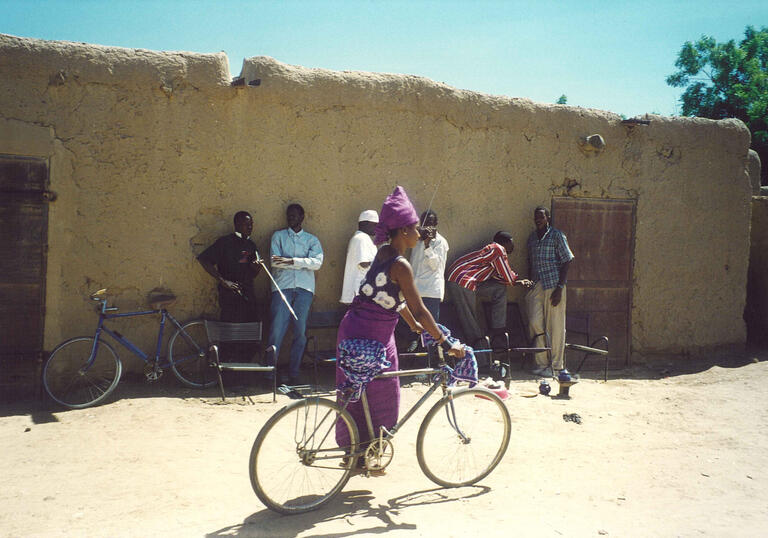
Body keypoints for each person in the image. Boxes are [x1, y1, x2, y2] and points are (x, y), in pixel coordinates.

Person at [335, 186, 465, 452]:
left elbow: (389, 296)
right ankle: (371, 448)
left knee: (357, 396)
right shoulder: (402, 265)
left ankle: (359, 452)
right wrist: (445, 341)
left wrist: (410, 323)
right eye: (416, 228)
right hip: (373, 337)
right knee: (384, 396)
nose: (419, 233)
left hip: (358, 329)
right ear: (403, 231)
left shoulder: (383, 253)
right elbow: (419, 308)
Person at [267, 203, 324, 385]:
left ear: (302, 217)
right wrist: (303, 262)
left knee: (300, 332)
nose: (290, 218)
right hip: (282, 288)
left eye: (294, 215)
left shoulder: (312, 240)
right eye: (288, 215)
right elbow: (275, 261)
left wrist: (291, 260)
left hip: (304, 290)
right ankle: (270, 373)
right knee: (276, 331)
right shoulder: (279, 236)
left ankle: (294, 372)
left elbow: (317, 263)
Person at [446, 232, 533, 347]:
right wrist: (516, 281)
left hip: (467, 280)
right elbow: (507, 276)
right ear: (504, 243)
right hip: (461, 280)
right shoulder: (497, 249)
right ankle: (481, 358)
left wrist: (517, 281)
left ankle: (498, 327)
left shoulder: (491, 254)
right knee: (470, 322)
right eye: (511, 243)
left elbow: (501, 278)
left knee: (499, 288)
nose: (513, 247)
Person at [526, 206, 574, 377]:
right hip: (537, 284)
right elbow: (529, 262)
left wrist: (560, 287)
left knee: (555, 325)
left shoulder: (556, 235)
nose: (538, 220)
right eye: (536, 217)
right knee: (535, 322)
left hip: (554, 284)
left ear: (548, 218)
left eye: (541, 217)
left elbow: (567, 260)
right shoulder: (532, 238)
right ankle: (541, 363)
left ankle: (556, 365)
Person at [197, 211, 262, 323]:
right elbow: (204, 259)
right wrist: (223, 281)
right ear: (236, 225)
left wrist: (256, 268)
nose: (250, 227)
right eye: (246, 224)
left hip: (247, 294)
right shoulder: (225, 242)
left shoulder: (251, 245)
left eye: (251, 224)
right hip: (229, 295)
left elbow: (253, 273)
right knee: (230, 331)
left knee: (249, 331)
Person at [339, 210, 379, 305]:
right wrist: (381, 263)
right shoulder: (362, 238)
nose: (377, 228)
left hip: (362, 292)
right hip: (359, 292)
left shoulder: (363, 238)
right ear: (366, 224)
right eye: (375, 225)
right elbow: (364, 264)